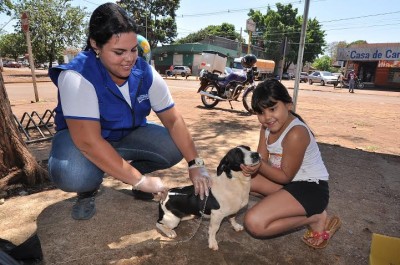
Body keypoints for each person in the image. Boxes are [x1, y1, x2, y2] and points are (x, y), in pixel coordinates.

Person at [47, 3, 211, 220]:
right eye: (119, 52)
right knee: (74, 174)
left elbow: (173, 120)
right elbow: (88, 142)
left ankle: (124, 170)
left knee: (173, 146)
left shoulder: (145, 72)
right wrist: (140, 181)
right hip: (81, 142)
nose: (130, 59)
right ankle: (87, 189)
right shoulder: (77, 76)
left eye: (133, 49)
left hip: (125, 135)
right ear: (95, 44)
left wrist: (196, 164)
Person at [241, 79, 341, 249]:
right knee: (241, 180)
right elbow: (262, 159)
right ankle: (283, 206)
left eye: (273, 109)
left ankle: (315, 217)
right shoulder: (266, 128)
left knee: (254, 223)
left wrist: (260, 166)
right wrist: (250, 166)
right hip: (290, 183)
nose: (267, 117)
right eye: (261, 112)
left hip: (311, 189)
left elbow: (284, 176)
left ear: (288, 105)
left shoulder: (296, 133)